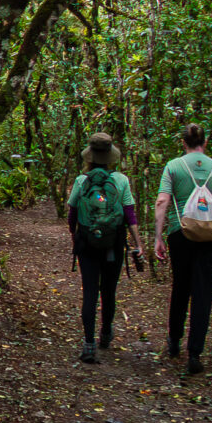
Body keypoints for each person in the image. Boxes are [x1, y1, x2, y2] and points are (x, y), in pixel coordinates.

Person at [153, 122, 212, 375]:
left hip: (180, 233)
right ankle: (195, 352)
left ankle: (174, 341)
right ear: (205, 142)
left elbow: (162, 201)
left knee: (181, 287)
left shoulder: (173, 166)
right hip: (210, 236)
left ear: (183, 143)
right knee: (203, 293)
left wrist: (158, 237)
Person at [66, 133, 144, 364]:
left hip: (87, 243)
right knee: (108, 290)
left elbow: (72, 214)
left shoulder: (82, 181)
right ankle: (106, 333)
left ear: (90, 155)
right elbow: (129, 214)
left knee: (89, 290)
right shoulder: (121, 180)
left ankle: (88, 344)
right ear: (111, 156)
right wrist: (138, 244)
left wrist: (75, 238)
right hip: (113, 243)